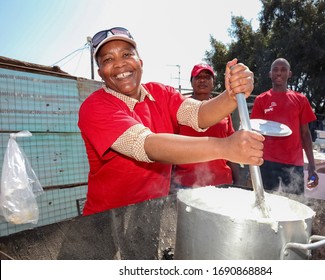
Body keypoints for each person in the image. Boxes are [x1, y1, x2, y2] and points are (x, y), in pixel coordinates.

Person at [78, 27, 264, 215]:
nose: (119, 64)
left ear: (140, 62)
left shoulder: (160, 93)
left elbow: (198, 113)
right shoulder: (95, 106)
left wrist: (231, 94)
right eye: (108, 59)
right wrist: (225, 148)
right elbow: (145, 145)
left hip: (152, 212)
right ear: (100, 72)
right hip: (106, 221)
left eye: (126, 54)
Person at [171, 63, 245, 191]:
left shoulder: (223, 109)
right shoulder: (179, 108)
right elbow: (169, 148)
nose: (202, 80)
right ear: (191, 82)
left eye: (207, 77)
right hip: (185, 184)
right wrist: (169, 182)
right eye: (198, 77)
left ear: (213, 83)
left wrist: (238, 181)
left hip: (221, 184)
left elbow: (231, 145)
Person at [250, 58, 318, 195]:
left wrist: (312, 166)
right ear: (270, 74)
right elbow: (254, 133)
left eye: (283, 70)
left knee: (295, 205)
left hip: (294, 163)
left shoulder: (300, 100)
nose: (279, 73)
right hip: (267, 162)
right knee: (265, 203)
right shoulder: (261, 100)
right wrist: (251, 166)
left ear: (290, 74)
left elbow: (305, 134)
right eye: (275, 70)